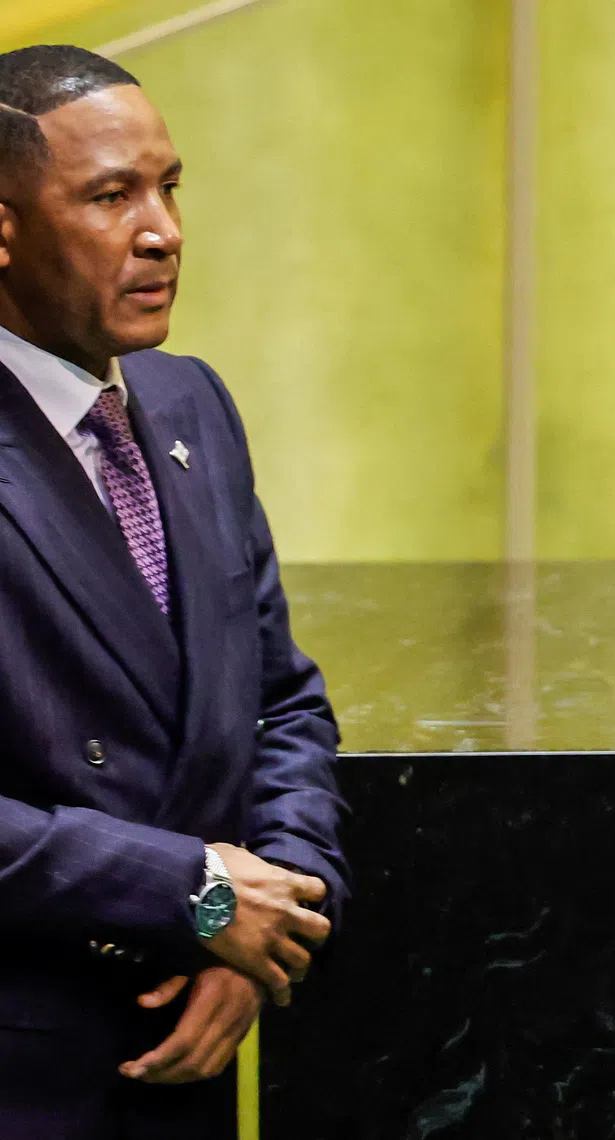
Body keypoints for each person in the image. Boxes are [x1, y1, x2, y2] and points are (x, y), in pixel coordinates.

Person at [0, 43, 349, 1139]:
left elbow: (281, 699)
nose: (164, 231)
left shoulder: (188, 402)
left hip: (184, 1072)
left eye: (169, 186)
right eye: (111, 196)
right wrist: (189, 894)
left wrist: (271, 926)